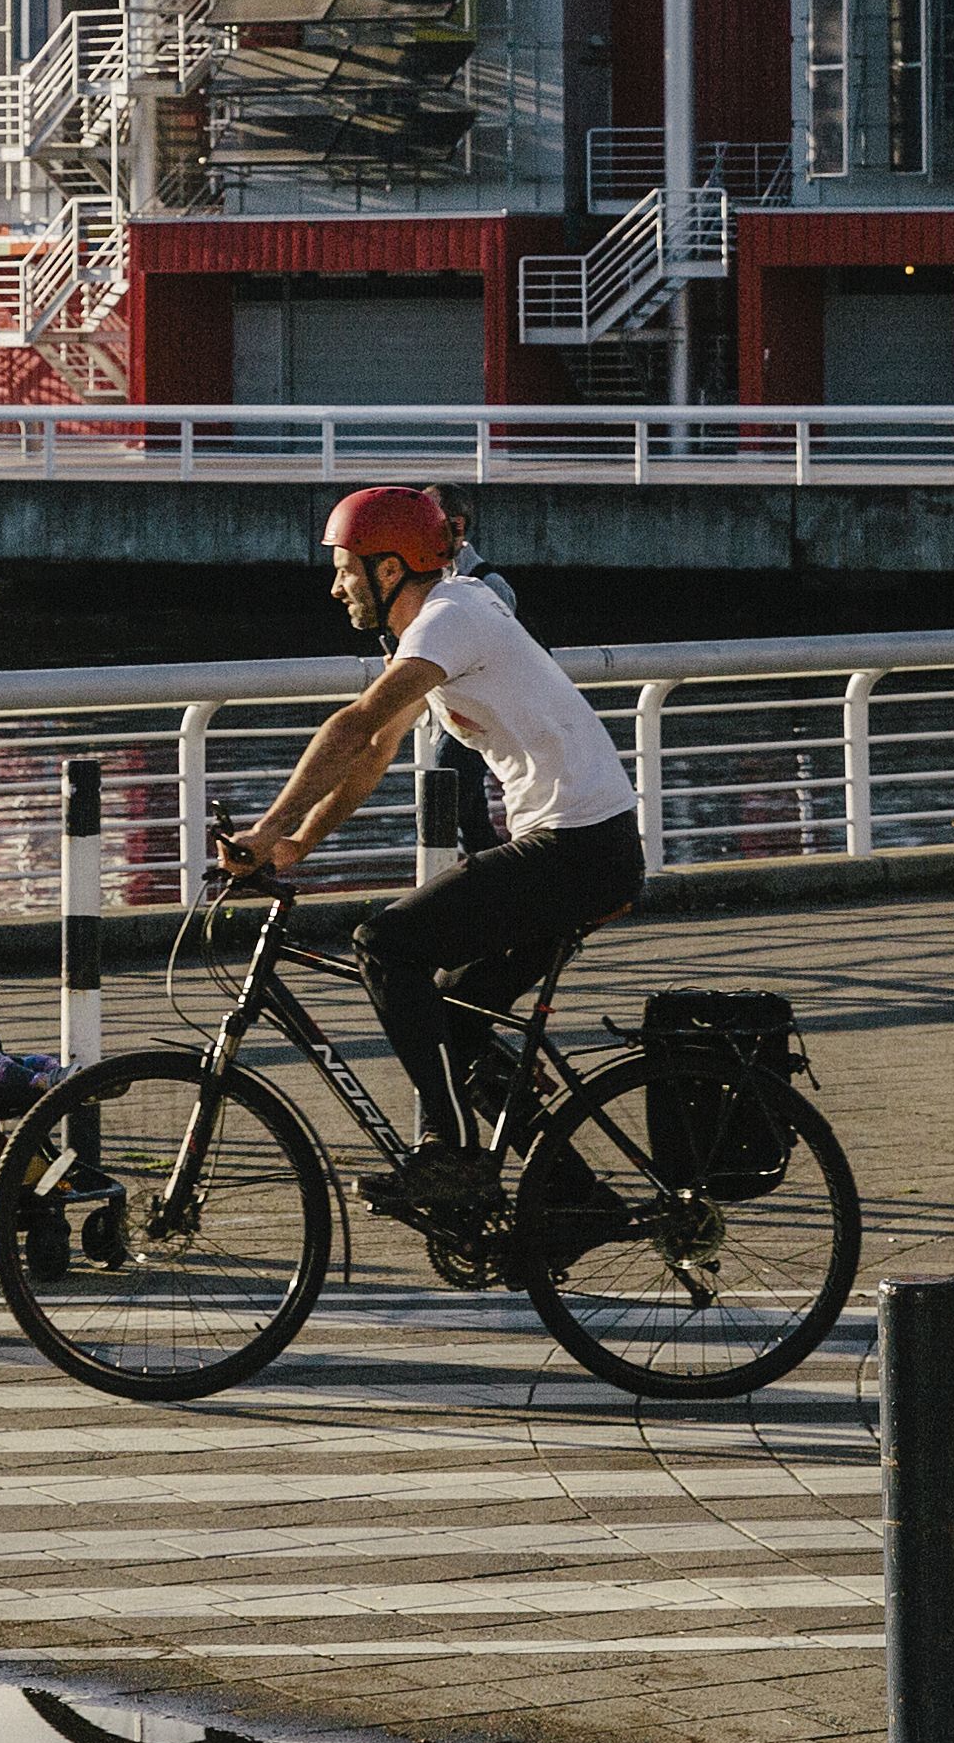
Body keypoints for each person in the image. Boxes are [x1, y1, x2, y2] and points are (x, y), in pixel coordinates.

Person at [225, 486, 642, 1227]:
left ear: (389, 570)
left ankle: (450, 1156)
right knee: (457, 1019)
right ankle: (579, 1201)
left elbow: (353, 725)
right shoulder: (437, 626)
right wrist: (296, 844)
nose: (335, 585)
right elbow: (377, 751)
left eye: (346, 568)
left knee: (386, 945)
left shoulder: (455, 616)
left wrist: (263, 828)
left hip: (576, 848)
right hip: (579, 846)